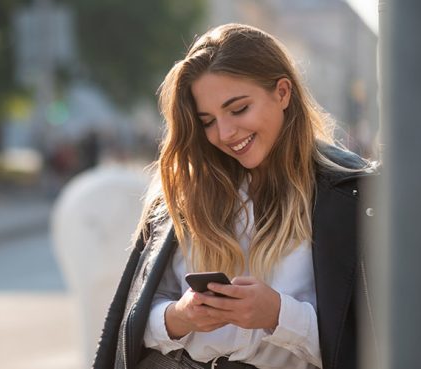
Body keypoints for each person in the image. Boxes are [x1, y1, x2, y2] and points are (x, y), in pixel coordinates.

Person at [92, 23, 379, 369]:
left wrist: (278, 315)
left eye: (239, 109)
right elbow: (134, 322)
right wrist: (179, 317)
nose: (225, 133)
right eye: (207, 120)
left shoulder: (349, 196)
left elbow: (371, 341)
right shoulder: (185, 191)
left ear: (283, 93)